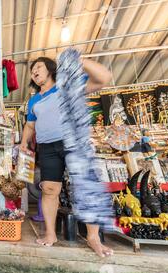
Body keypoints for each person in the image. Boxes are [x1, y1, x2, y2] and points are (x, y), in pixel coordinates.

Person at [20, 56, 114, 258]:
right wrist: (23, 144)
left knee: (84, 186)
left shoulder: (66, 87)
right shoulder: (34, 100)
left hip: (73, 142)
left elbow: (103, 78)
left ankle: (93, 237)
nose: (34, 71)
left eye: (38, 67)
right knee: (49, 189)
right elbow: (30, 125)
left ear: (51, 69)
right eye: (32, 70)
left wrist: (78, 59)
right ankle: (51, 234)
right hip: (46, 147)